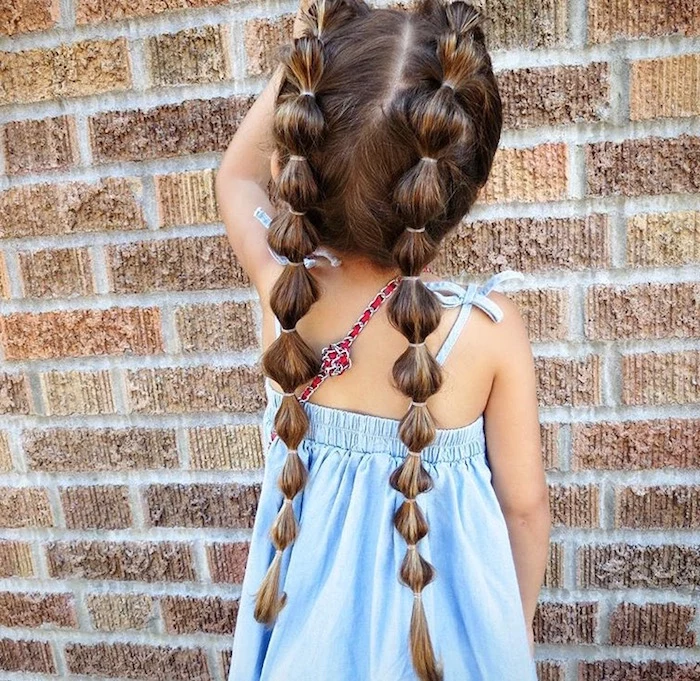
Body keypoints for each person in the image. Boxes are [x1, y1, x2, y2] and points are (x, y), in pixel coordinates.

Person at [215, 0, 551, 678]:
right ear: (459, 187)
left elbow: (235, 176)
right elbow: (524, 508)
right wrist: (509, 633)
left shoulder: (286, 296)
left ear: (307, 148)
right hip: (451, 648)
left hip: (306, 642)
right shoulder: (488, 336)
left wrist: (309, 62)